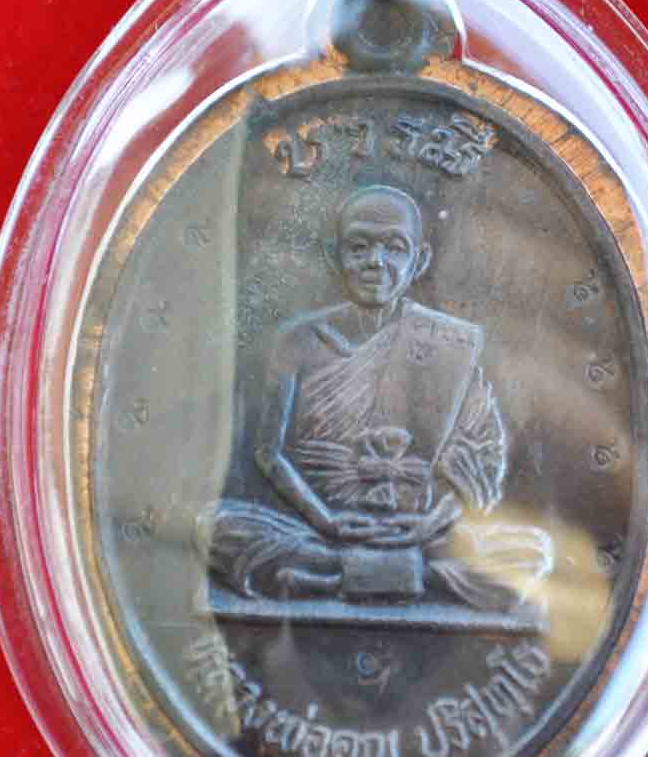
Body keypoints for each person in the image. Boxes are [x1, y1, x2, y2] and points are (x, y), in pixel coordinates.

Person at [197, 185, 551, 617]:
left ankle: (339, 574)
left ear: (419, 261)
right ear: (335, 256)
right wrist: (327, 521)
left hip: (421, 534)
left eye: (394, 248)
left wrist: (429, 524)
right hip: (320, 530)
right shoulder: (297, 341)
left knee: (532, 552)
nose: (375, 262)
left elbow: (480, 458)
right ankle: (407, 575)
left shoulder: (449, 345)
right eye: (359, 247)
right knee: (215, 529)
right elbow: (268, 453)